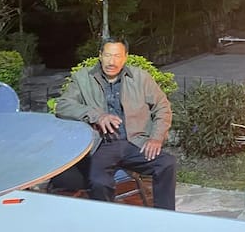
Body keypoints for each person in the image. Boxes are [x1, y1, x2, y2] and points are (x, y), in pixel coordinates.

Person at [56, 37, 176, 210]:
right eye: (108, 55)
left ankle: (165, 216)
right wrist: (96, 116)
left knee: (166, 163)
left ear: (125, 57)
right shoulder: (82, 78)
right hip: (103, 145)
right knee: (99, 182)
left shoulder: (140, 77)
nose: (112, 62)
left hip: (135, 142)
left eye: (117, 56)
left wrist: (156, 138)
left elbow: (162, 107)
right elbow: (63, 105)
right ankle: (107, 219)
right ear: (100, 55)